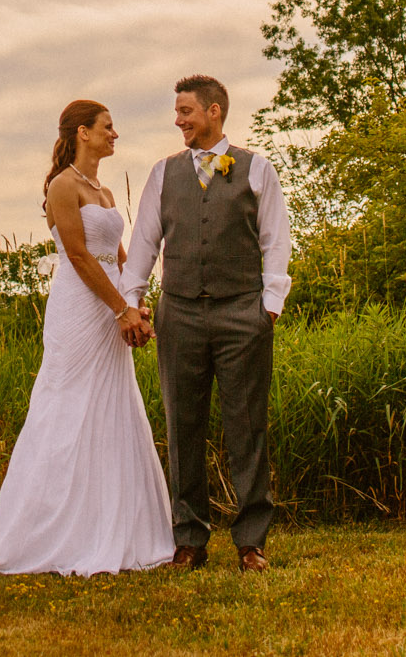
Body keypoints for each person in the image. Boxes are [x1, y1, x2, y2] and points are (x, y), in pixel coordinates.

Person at [0, 100, 173, 575]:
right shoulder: (63, 186)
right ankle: (47, 531)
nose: (114, 134)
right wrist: (119, 307)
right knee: (66, 407)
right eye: (107, 127)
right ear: (83, 133)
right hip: (80, 309)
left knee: (112, 405)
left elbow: (119, 257)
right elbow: (80, 257)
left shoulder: (101, 191)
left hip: (110, 308)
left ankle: (114, 525)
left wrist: (136, 303)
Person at [121, 74, 291, 573]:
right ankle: (189, 540)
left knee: (247, 426)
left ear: (214, 112)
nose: (179, 121)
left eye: (186, 112)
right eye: (178, 113)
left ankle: (251, 542)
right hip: (180, 314)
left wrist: (270, 307)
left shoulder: (258, 170)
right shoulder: (162, 174)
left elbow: (275, 241)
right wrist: (132, 300)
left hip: (244, 312)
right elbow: (146, 244)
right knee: (183, 426)